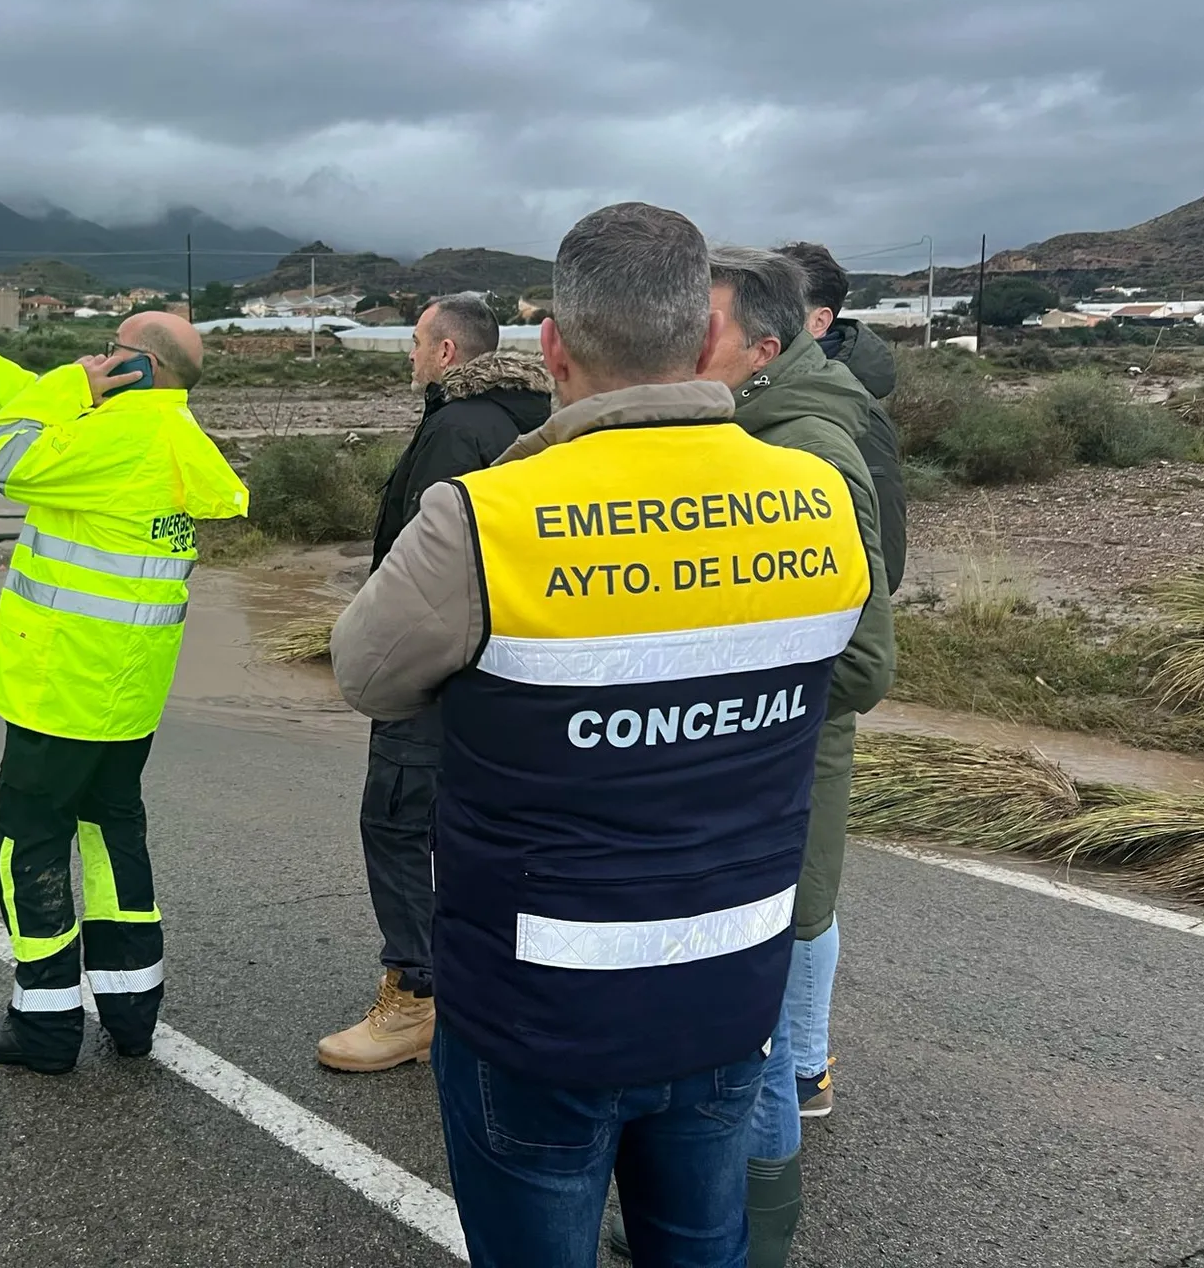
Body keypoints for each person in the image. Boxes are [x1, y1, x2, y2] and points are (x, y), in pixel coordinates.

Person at [332, 202, 892, 1268]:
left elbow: (367, 674)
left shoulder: (485, 514)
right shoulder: (816, 498)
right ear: (701, 340)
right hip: (731, 978)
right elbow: (849, 669)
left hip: (537, 1006)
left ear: (552, 346)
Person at [0, 314, 247, 1073]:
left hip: (66, 684)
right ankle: (131, 1009)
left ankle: (44, 1022)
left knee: (27, 837)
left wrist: (65, 384)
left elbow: (6, 453)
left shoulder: (115, 441)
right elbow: (39, 405)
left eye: (110, 348)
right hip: (126, 689)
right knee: (112, 832)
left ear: (137, 368)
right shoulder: (159, 432)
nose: (94, 357)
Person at [697, 245, 898, 1265]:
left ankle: (754, 1233)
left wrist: (724, 677)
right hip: (757, 765)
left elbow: (863, 662)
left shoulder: (806, 448)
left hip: (780, 765)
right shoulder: (750, 424)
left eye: (708, 325)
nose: (688, 341)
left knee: (756, 1035)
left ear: (766, 346)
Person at [319, 293, 552, 1073]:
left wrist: (384, 664)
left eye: (417, 344)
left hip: (442, 672)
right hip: (518, 673)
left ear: (449, 354)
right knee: (482, 832)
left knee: (395, 821)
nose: (410, 357)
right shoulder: (541, 420)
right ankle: (489, 991)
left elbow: (433, 573)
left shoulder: (458, 427)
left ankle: (415, 996)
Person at [776, 241, 906, 596]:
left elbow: (884, 563)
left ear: (819, 321)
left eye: (780, 307)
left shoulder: (859, 414)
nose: (762, 318)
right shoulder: (765, 388)